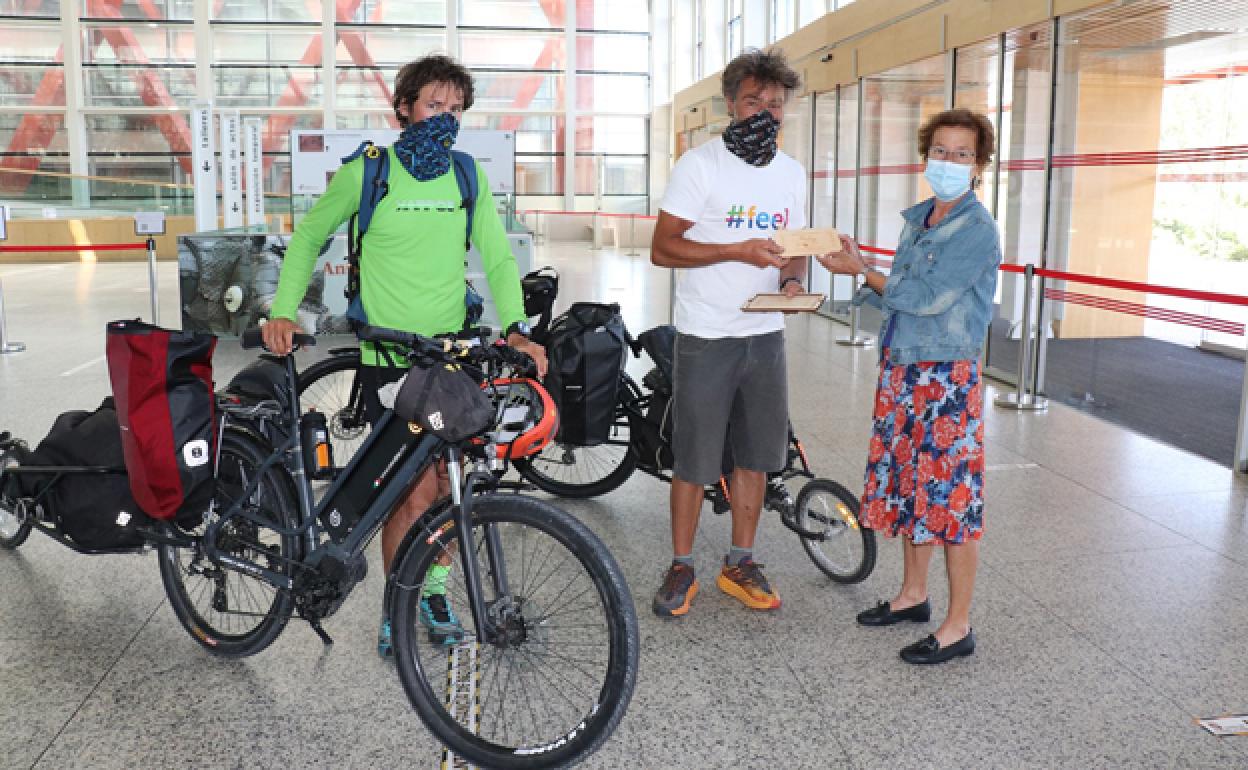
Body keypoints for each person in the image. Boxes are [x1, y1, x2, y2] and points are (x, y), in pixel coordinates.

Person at [262, 54, 547, 657]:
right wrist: (284, 310)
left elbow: (496, 257)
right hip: (392, 359)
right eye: (432, 105)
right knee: (411, 493)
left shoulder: (466, 176)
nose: (444, 118)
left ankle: (433, 593)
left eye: (455, 109)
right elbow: (311, 234)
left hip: (453, 357)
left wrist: (518, 328)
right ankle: (399, 604)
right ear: (403, 109)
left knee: (449, 493)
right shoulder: (370, 171)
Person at [817, 108, 1001, 665]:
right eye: (940, 150)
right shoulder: (919, 218)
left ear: (979, 166)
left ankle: (957, 624)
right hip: (903, 370)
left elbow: (926, 298)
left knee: (950, 501)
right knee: (911, 489)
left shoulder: (976, 229)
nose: (948, 161)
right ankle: (913, 595)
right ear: (927, 155)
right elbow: (899, 291)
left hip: (945, 377)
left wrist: (862, 272)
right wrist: (863, 269)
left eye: (962, 154)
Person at [649, 48, 808, 617]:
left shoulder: (791, 174)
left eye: (774, 103)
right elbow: (663, 246)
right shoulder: (701, 165)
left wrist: (791, 284)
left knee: (757, 457)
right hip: (706, 334)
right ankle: (682, 564)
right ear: (730, 104)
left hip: (765, 336)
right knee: (694, 456)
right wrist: (734, 250)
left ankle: (740, 561)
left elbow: (794, 253)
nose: (764, 111)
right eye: (752, 101)